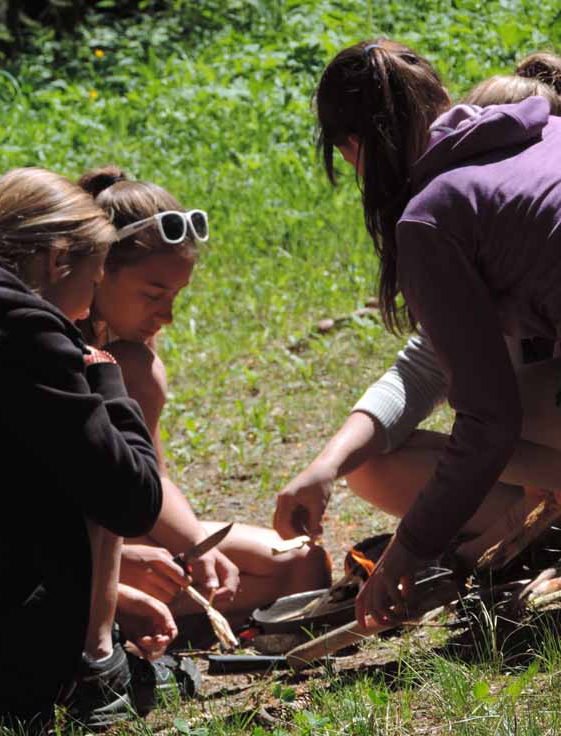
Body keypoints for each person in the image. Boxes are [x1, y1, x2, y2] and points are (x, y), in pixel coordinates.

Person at [273, 40, 561, 632]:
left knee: (495, 402)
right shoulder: (539, 139)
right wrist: (329, 464)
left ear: (351, 150)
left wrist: (409, 550)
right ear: (444, 99)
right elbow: (430, 359)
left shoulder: (437, 210)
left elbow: (490, 421)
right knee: (375, 460)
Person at [76, 166, 332, 658]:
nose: (167, 315)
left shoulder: (132, 355)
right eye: (153, 295)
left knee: (304, 566)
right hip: (65, 561)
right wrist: (120, 562)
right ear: (98, 270)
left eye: (176, 296)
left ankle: (163, 631)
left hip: (137, 543)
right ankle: (119, 631)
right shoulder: (51, 349)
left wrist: (197, 546)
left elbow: (151, 477)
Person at [0, 167, 162, 736]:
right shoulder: (27, 335)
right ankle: (97, 674)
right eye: (94, 278)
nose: (87, 306)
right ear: (56, 261)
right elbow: (133, 498)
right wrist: (107, 380)